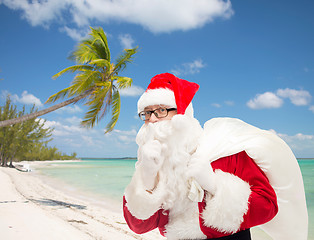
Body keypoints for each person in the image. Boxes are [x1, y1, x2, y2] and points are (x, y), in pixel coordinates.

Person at [123, 73, 308, 240]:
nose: (152, 119)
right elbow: (138, 226)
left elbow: (267, 207)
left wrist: (215, 185)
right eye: (147, 113)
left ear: (182, 114)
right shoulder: (151, 162)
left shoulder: (224, 150)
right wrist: (145, 178)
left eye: (161, 110)